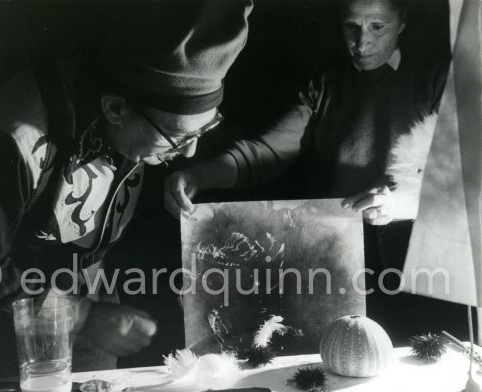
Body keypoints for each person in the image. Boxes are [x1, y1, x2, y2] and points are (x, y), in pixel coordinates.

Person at [0, 0, 253, 372]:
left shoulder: (145, 124)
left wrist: (184, 275)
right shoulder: (16, 134)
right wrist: (82, 316)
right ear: (115, 108)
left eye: (204, 130)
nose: (189, 152)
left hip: (92, 302)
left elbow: (119, 220)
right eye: (179, 137)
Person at [164, 0, 450, 341]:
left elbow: (457, 186)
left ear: (402, 21)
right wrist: (199, 175)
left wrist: (396, 204)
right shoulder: (325, 85)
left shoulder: (436, 80)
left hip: (416, 260)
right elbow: (267, 152)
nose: (361, 43)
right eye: (351, 27)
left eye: (377, 26)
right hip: (341, 255)